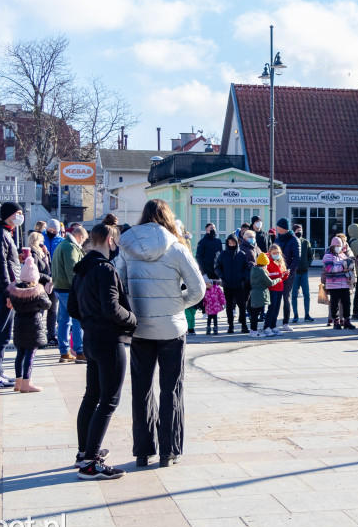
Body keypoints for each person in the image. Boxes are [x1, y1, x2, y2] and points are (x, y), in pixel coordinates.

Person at [116, 199, 205, 468]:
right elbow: (198, 289)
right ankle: (169, 451)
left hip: (140, 329)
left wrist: (133, 307)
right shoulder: (177, 248)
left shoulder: (127, 247)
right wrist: (178, 304)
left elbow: (118, 286)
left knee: (141, 390)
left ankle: (143, 451)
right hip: (172, 328)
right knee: (171, 390)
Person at [68, 222, 136, 480]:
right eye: (116, 239)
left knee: (92, 396)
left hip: (91, 338)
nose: (118, 245)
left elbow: (73, 308)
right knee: (108, 400)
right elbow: (112, 308)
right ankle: (90, 462)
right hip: (109, 340)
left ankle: (84, 451)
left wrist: (90, 317)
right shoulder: (105, 269)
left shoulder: (82, 269)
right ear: (109, 239)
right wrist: (133, 320)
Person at [0, 202, 24, 387]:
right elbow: (0, 264)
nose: (21, 216)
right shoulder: (0, 233)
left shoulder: (4, 232)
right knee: (1, 334)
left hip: (5, 288)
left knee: (4, 333)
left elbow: (7, 260)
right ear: (9, 215)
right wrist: (9, 290)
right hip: (3, 290)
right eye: (18, 213)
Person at [6, 255, 51, 393]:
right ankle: (27, 382)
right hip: (34, 325)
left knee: (20, 354)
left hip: (19, 324)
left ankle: (18, 382)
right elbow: (47, 305)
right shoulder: (37, 291)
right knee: (30, 355)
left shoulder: (14, 291)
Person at [53, 224, 86, 363]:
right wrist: (79, 289)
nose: (83, 243)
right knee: (78, 319)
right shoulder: (70, 247)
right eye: (83, 240)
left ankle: (64, 351)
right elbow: (72, 271)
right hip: (68, 288)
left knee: (64, 320)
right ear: (79, 237)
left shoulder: (63, 244)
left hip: (59, 287)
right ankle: (80, 351)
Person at [214, 233, 249, 334]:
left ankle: (243, 324)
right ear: (227, 243)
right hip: (228, 284)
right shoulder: (223, 254)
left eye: (233, 242)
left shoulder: (241, 254)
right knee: (229, 305)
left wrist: (243, 277)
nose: (232, 244)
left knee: (242, 305)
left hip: (239, 284)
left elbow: (246, 267)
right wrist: (223, 276)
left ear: (236, 243)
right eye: (230, 242)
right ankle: (230, 325)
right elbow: (217, 267)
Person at [321, 236, 356, 330]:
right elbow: (329, 269)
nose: (338, 247)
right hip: (333, 284)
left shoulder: (343, 255)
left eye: (339, 245)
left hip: (344, 283)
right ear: (332, 246)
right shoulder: (328, 256)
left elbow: (348, 263)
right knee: (334, 303)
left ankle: (347, 320)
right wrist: (342, 268)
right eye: (336, 245)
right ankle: (335, 321)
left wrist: (350, 266)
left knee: (347, 303)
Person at [275, 218, 301, 329]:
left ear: (283, 228)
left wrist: (289, 270)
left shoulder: (294, 240)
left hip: (288, 273)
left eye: (278, 227)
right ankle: (273, 322)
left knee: (286, 297)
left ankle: (286, 322)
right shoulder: (277, 240)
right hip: (276, 273)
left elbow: (297, 258)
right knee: (275, 297)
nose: (277, 229)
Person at [43, 219, 62, 343]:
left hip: (55, 277)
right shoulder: (41, 239)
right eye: (50, 230)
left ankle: (51, 334)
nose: (52, 232)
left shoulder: (61, 241)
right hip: (41, 278)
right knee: (39, 307)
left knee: (53, 308)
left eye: (54, 231)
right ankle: (39, 333)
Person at [290, 223, 314, 323]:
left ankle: (307, 314)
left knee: (307, 294)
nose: (300, 232)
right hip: (295, 273)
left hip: (304, 272)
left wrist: (307, 264)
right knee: (294, 294)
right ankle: (295, 315)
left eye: (301, 230)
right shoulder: (291, 242)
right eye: (297, 230)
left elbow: (311, 255)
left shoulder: (306, 242)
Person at [264, 243, 289, 335]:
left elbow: (282, 277)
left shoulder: (280, 261)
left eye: (278, 252)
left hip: (280, 287)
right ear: (270, 253)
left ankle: (273, 326)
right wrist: (279, 275)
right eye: (274, 253)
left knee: (277, 308)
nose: (276, 254)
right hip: (272, 288)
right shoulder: (268, 262)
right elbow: (268, 274)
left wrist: (285, 274)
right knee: (272, 308)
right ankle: (267, 326)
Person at [248, 253, 274, 337]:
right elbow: (269, 282)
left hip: (254, 294)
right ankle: (255, 332)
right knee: (256, 314)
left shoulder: (253, 269)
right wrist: (278, 279)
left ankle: (252, 330)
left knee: (253, 314)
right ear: (264, 264)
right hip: (260, 295)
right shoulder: (262, 271)